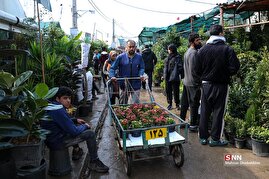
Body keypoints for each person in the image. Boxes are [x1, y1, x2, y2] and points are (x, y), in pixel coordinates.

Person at [41, 86, 109, 173]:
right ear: (57, 99)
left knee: (74, 124)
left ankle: (77, 151)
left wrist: (75, 120)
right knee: (89, 134)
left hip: (51, 139)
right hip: (57, 142)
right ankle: (94, 161)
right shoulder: (58, 110)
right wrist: (85, 126)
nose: (68, 101)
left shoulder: (52, 106)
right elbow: (74, 131)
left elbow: (61, 121)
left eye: (69, 98)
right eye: (65, 98)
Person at [193, 25, 240, 146]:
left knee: (204, 110)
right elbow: (234, 68)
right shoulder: (227, 49)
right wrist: (224, 72)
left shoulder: (202, 50)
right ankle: (215, 139)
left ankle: (203, 137)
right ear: (220, 33)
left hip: (206, 85)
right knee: (219, 112)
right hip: (221, 85)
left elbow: (196, 70)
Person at [109, 40, 145, 104]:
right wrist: (112, 76)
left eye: (133, 47)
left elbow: (142, 67)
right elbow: (112, 68)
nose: (131, 48)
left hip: (136, 83)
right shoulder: (120, 57)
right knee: (123, 103)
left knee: (135, 104)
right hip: (124, 84)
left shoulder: (139, 57)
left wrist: (141, 74)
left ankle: (134, 113)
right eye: (130, 47)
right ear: (126, 47)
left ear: (135, 47)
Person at [182, 33, 202, 132]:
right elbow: (194, 71)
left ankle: (182, 121)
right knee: (194, 105)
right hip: (193, 83)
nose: (200, 42)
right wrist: (199, 83)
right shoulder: (194, 53)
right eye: (197, 40)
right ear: (192, 42)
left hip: (186, 81)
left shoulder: (187, 52)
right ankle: (193, 125)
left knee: (186, 103)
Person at [163, 44, 183, 110]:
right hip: (167, 77)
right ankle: (170, 104)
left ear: (171, 50)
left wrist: (179, 74)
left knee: (176, 91)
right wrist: (163, 75)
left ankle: (177, 104)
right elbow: (165, 67)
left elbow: (180, 67)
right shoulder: (167, 58)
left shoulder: (178, 57)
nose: (168, 50)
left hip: (175, 77)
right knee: (168, 91)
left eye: (168, 49)